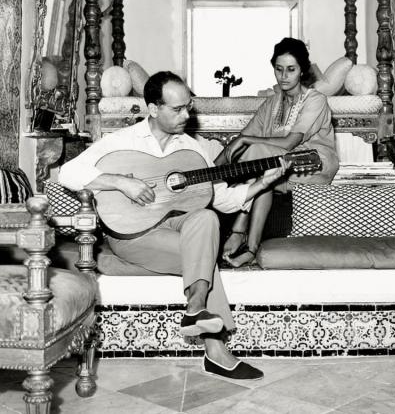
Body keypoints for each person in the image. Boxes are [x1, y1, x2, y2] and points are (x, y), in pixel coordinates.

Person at [59, 71, 287, 380]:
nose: (186, 115)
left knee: (206, 217)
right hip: (132, 233)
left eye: (187, 107)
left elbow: (223, 199)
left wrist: (263, 183)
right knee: (204, 257)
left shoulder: (192, 150)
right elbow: (68, 173)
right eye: (177, 109)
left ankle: (196, 307)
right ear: (154, 109)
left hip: (174, 228)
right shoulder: (121, 141)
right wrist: (120, 182)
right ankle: (215, 350)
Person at [215, 37, 339, 267]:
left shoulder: (316, 100)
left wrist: (245, 139)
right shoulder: (271, 104)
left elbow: (290, 143)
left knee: (257, 151)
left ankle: (239, 230)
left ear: (302, 70)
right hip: (276, 165)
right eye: (279, 69)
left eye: (291, 69)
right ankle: (251, 249)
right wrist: (207, 173)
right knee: (262, 163)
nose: (283, 76)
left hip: (311, 165)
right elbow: (237, 145)